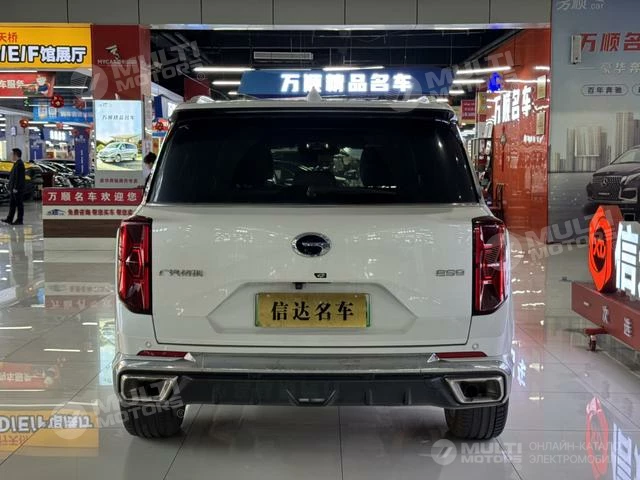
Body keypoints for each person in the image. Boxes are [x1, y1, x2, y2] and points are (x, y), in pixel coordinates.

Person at [3, 148, 25, 226]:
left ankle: (19, 220)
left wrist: (16, 188)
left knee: (19, 204)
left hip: (17, 189)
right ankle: (9, 218)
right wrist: (10, 187)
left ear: (16, 155)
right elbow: (13, 177)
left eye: (12, 154)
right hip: (13, 188)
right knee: (12, 204)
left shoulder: (20, 164)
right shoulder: (16, 163)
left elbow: (19, 178)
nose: (11, 156)